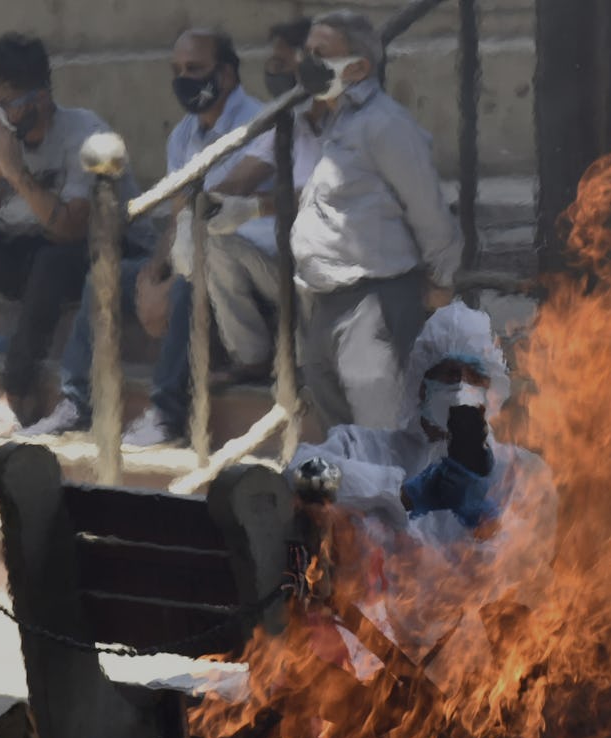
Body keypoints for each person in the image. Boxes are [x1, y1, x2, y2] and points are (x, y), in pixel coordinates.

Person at [23, 29, 267, 446]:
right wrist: (155, 272)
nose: (184, 79)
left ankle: (168, 417)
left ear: (226, 74)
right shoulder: (183, 136)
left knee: (190, 283)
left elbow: (212, 203)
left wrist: (172, 282)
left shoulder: (260, 122)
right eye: (177, 71)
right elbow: (178, 214)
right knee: (107, 277)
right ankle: (76, 401)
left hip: (248, 266)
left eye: (195, 69)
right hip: (196, 254)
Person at [0, 33, 153, 436]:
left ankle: (17, 394)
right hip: (29, 247)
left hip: (96, 248)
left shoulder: (86, 134)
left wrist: (17, 173)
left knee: (51, 259)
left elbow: (70, 229)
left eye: (5, 103)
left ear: (39, 97)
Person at [290, 302, 557, 596]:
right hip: (370, 635)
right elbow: (300, 472)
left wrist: (483, 522)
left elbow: (526, 575)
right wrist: (399, 492)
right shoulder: (364, 448)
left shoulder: (522, 473)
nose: (461, 389)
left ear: (492, 391)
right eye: (450, 375)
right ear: (420, 384)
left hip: (473, 638)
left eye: (475, 377)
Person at [289, 11, 463, 431]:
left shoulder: (385, 123)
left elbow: (427, 208)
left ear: (358, 67)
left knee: (382, 440)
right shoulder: (338, 123)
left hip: (374, 302)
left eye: (321, 53)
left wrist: (441, 279)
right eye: (307, 51)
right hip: (326, 303)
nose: (307, 61)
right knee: (346, 441)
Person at [185, 16, 327, 384]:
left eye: (281, 64)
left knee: (310, 244)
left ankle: (308, 372)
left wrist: (256, 208)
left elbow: (330, 195)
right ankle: (250, 357)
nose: (272, 72)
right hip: (286, 264)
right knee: (215, 245)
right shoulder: (290, 119)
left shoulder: (349, 123)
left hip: (335, 264)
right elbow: (240, 178)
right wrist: (209, 206)